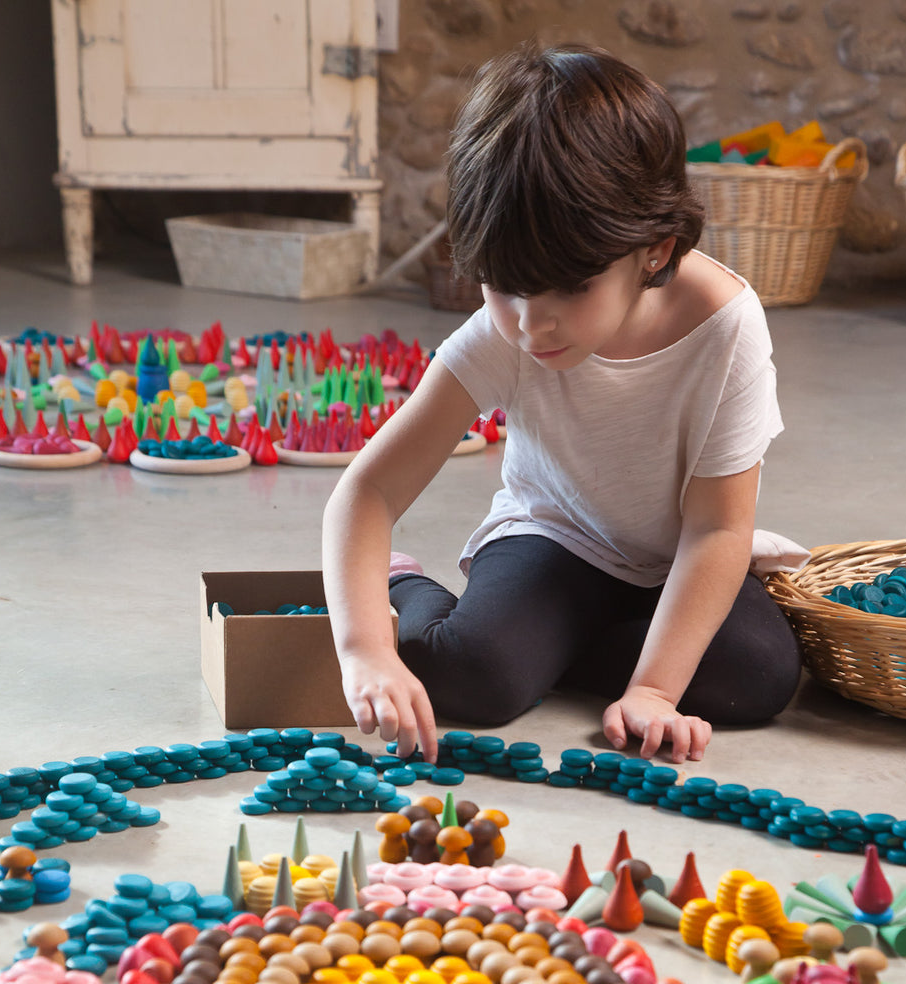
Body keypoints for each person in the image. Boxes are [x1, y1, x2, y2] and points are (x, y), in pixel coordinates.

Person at [321, 43, 802, 766]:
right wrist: (365, 650)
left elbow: (715, 533)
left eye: (569, 291)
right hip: (553, 538)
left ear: (653, 250)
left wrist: (655, 692)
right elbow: (368, 489)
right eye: (501, 284)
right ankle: (409, 584)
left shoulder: (724, 327)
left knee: (760, 677)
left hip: (677, 555)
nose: (528, 323)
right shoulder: (505, 330)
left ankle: (551, 649)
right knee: (471, 679)